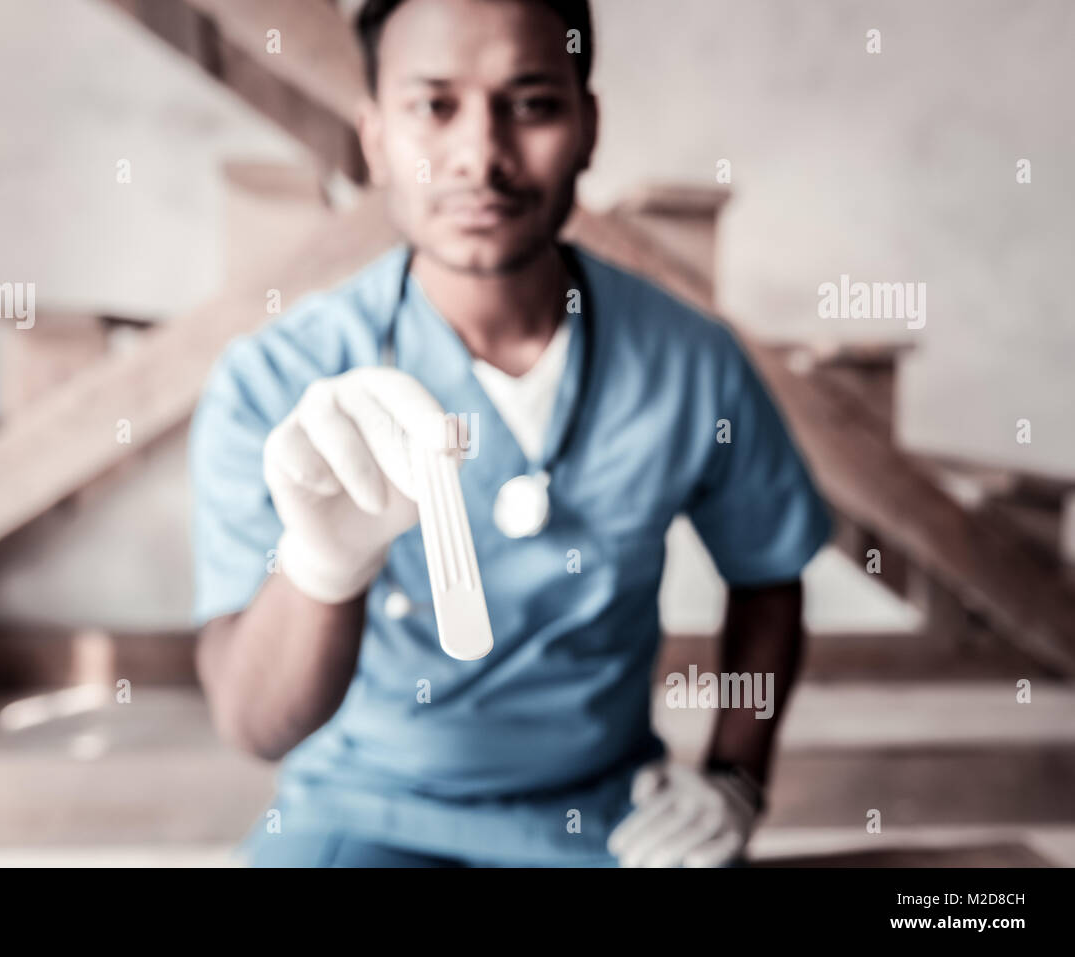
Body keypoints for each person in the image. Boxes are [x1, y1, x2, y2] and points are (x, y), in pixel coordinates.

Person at [188, 0, 831, 867]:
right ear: (375, 138)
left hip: (608, 815)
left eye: (531, 103)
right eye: (434, 107)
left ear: (589, 126)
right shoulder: (275, 378)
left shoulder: (693, 363)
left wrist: (734, 777)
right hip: (362, 812)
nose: (482, 157)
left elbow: (767, 575)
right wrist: (321, 568)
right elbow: (254, 722)